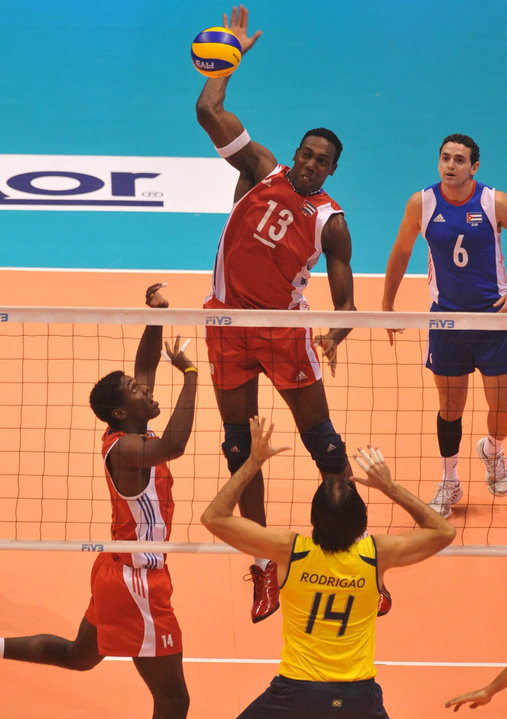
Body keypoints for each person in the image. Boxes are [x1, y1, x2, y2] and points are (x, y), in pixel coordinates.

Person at [196, 5, 357, 623]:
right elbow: (208, 111)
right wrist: (227, 60)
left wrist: (336, 335)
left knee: (326, 446)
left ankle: (354, 558)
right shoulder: (260, 169)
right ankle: (266, 567)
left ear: (333, 169)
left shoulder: (332, 222)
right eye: (306, 154)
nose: (311, 164)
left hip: (285, 332)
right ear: (296, 152)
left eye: (322, 160)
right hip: (227, 323)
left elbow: (347, 307)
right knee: (240, 448)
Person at [0, 283, 197, 719]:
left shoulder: (130, 428)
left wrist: (157, 315)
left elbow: (144, 365)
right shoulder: (127, 451)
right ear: (122, 412)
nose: (145, 390)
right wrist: (191, 376)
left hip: (115, 567)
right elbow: (175, 445)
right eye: (135, 391)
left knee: (79, 656)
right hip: (136, 581)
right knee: (175, 700)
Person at [201, 417, 455, 719]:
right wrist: (389, 487)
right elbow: (443, 531)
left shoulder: (290, 550)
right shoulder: (376, 555)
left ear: (313, 521)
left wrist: (253, 462)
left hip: (295, 694)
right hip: (358, 698)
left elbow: (214, 517)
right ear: (361, 523)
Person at [382, 133, 507, 519]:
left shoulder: (494, 202)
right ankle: (449, 481)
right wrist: (386, 306)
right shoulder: (422, 203)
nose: (450, 165)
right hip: (447, 321)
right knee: (450, 408)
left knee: (502, 407)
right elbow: (401, 251)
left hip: (493, 320)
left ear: (474, 167)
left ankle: (492, 450)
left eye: (459, 159)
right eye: (445, 158)